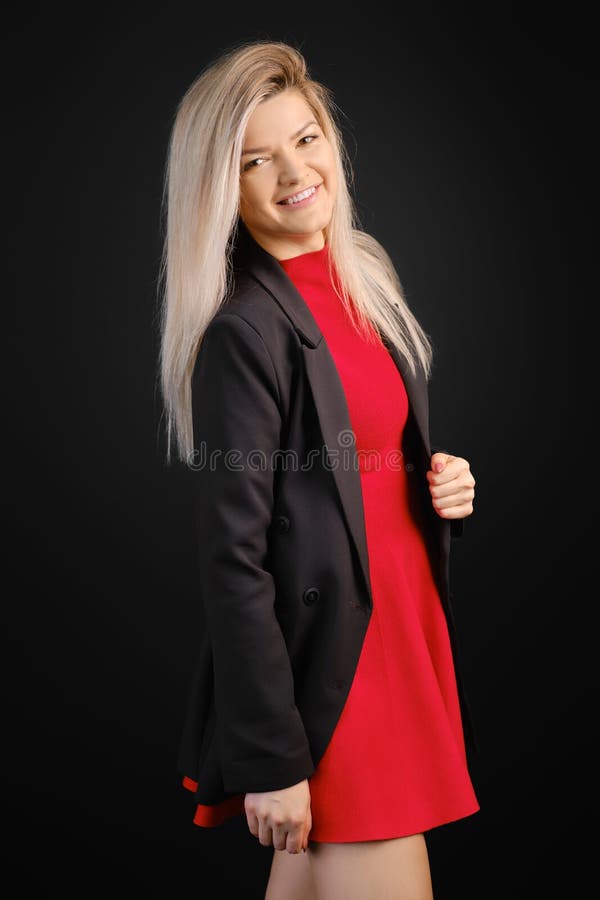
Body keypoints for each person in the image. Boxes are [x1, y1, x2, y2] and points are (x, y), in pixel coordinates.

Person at [158, 38, 480, 900]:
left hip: (399, 638)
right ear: (221, 190)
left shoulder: (360, 279)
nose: (294, 172)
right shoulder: (245, 331)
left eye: (305, 139)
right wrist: (272, 757)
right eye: (255, 160)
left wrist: (439, 482)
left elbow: (363, 465)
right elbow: (235, 560)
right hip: (340, 674)